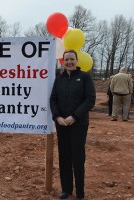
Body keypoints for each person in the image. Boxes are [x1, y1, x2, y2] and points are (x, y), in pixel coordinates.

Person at [50, 49, 96, 200]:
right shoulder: (59, 78)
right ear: (62, 62)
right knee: (64, 157)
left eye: (72, 59)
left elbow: (90, 100)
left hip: (79, 124)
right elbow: (53, 99)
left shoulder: (85, 78)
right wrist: (57, 116)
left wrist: (74, 117)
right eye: (66, 60)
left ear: (77, 61)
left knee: (77, 158)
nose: (69, 62)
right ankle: (66, 189)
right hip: (61, 124)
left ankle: (80, 193)